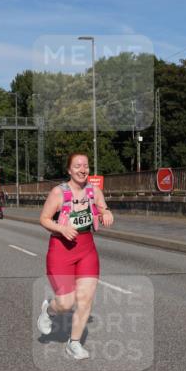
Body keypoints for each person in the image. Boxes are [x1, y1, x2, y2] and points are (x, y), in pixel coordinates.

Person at [36, 153, 114, 360]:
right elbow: (43, 219)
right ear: (69, 170)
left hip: (87, 250)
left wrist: (106, 212)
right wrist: (61, 228)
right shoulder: (58, 193)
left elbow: (103, 207)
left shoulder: (94, 191)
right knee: (65, 303)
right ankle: (48, 311)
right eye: (77, 166)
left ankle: (74, 343)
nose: (82, 169)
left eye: (86, 166)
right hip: (61, 250)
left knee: (85, 300)